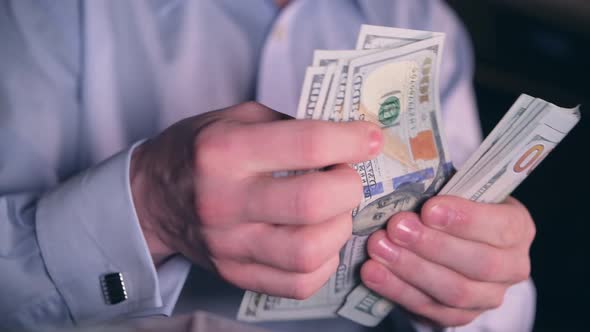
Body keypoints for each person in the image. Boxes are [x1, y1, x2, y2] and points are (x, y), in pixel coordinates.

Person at [0, 0, 536, 331]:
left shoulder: (424, 21)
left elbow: (496, 310)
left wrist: (474, 287)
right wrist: (148, 209)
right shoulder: (46, 11)